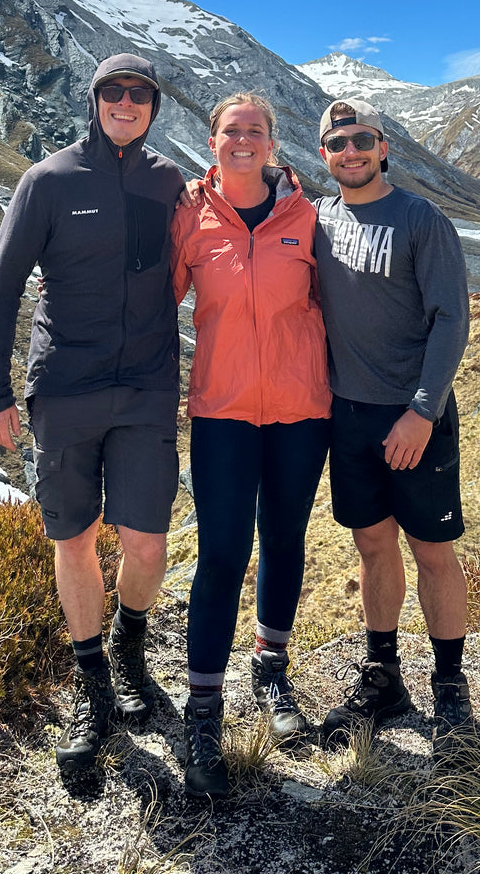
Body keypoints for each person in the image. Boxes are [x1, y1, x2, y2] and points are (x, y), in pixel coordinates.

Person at [0, 54, 184, 776]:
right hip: (64, 386)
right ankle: (93, 685)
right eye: (114, 93)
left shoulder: (167, 181)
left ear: (154, 107)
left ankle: (131, 646)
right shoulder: (48, 180)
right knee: (78, 537)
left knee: (148, 543)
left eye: (140, 95)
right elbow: (0, 290)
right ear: (93, 101)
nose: (126, 103)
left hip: (148, 387)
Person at [170, 92, 330, 798]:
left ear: (272, 142)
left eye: (255, 131)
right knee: (223, 552)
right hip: (223, 413)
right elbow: (150, 307)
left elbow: (341, 308)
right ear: (212, 142)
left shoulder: (308, 217)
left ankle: (271, 672)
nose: (244, 140)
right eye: (231, 131)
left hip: (301, 410)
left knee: (286, 539)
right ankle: (202, 710)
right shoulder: (190, 217)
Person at [312, 98, 473, 750]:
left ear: (383, 147)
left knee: (432, 553)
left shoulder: (419, 218)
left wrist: (422, 411)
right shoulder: (318, 217)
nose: (349, 151)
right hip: (347, 415)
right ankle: (383, 678)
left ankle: (452, 691)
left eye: (361, 140)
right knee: (372, 546)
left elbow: (451, 320)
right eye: (336, 142)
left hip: (414, 416)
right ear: (323, 154)